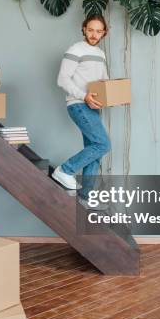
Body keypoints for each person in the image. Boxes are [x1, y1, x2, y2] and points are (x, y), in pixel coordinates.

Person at [52, 15, 111, 192]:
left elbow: (103, 81)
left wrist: (109, 96)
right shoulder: (76, 49)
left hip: (93, 107)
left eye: (98, 31)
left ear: (104, 33)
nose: (94, 35)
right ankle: (65, 170)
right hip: (78, 104)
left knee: (94, 150)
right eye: (91, 30)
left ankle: (86, 196)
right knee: (103, 145)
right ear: (84, 29)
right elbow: (62, 79)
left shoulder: (100, 54)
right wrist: (84, 96)